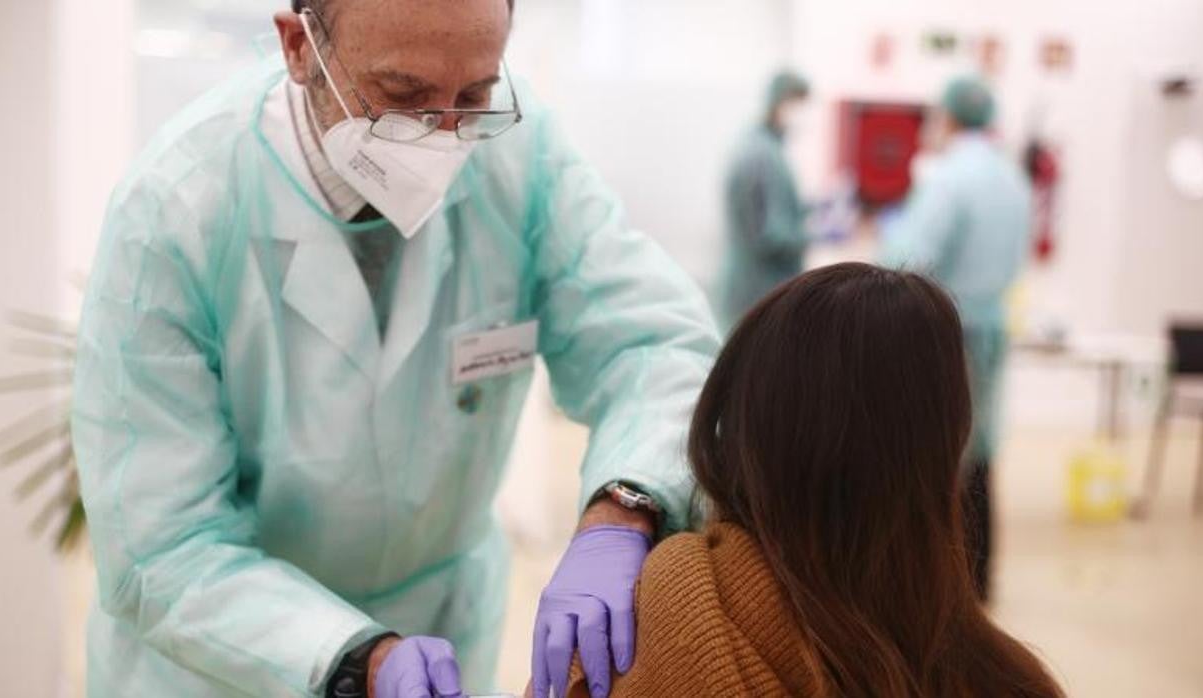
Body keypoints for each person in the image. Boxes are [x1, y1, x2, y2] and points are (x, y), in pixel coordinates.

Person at [71, 1, 720, 696]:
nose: (442, 137)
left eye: (473, 96)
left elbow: (653, 341)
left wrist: (622, 510)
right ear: (298, 48)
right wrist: (359, 659)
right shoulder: (176, 211)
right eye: (401, 98)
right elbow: (162, 547)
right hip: (230, 661)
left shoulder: (520, 151)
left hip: (445, 622)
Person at [559, 263, 1063, 697]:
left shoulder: (649, 618)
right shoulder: (1007, 679)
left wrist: (622, 507)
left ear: (742, 418)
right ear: (945, 452)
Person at [882, 76, 1032, 600]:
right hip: (991, 328)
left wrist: (888, 233)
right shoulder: (1011, 177)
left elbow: (907, 259)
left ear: (947, 118)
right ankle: (980, 576)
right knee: (981, 450)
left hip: (948, 335)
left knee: (941, 457)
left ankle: (944, 584)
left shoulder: (949, 179)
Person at [716, 71, 812, 331]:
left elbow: (776, 206)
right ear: (781, 101)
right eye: (799, 103)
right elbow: (771, 236)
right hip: (758, 289)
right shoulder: (763, 156)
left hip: (753, 287)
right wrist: (819, 235)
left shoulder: (762, 146)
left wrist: (814, 207)